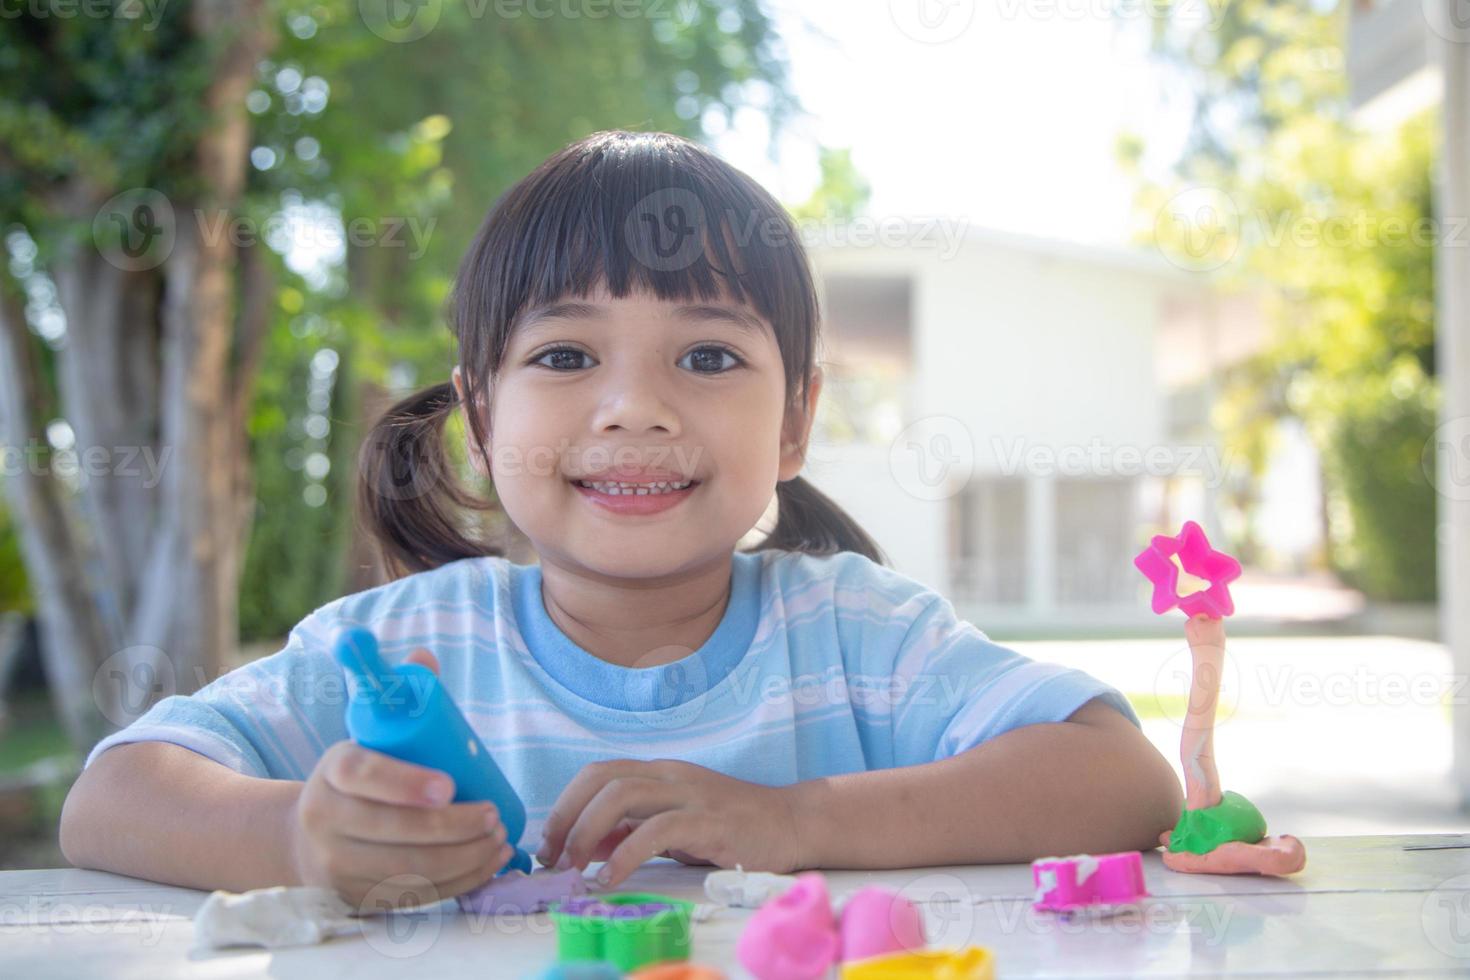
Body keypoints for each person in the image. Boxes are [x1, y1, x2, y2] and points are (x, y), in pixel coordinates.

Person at [59, 130, 1182, 908]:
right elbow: (112, 796)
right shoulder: (409, 652)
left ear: (796, 422)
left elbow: (1121, 779)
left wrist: (795, 820)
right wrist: (298, 836)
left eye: (706, 355)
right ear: (483, 412)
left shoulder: (857, 637)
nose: (635, 406)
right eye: (564, 354)